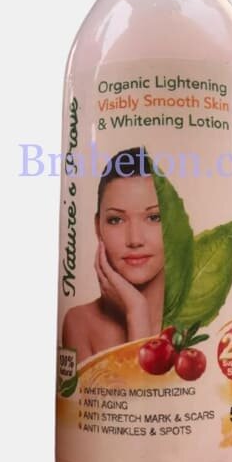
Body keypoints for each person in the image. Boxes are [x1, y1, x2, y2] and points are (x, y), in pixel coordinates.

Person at [62, 147, 165, 362]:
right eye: (116, 220)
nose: (135, 239)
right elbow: (138, 385)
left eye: (154, 217)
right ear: (98, 227)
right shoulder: (80, 323)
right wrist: (137, 313)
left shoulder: (201, 322)